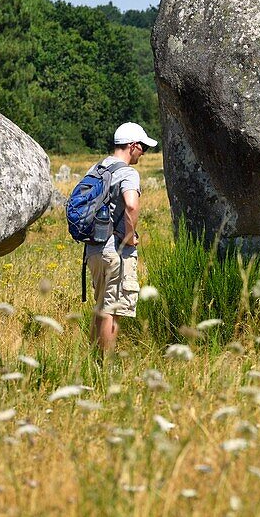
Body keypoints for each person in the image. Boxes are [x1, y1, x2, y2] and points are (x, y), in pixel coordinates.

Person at [86, 122, 157, 354]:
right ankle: (105, 367)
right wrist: (129, 237)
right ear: (133, 146)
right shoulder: (127, 172)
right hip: (115, 252)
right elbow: (131, 204)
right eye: (143, 148)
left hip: (93, 250)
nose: (143, 153)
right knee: (112, 309)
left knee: (100, 307)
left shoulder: (97, 169)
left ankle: (93, 362)